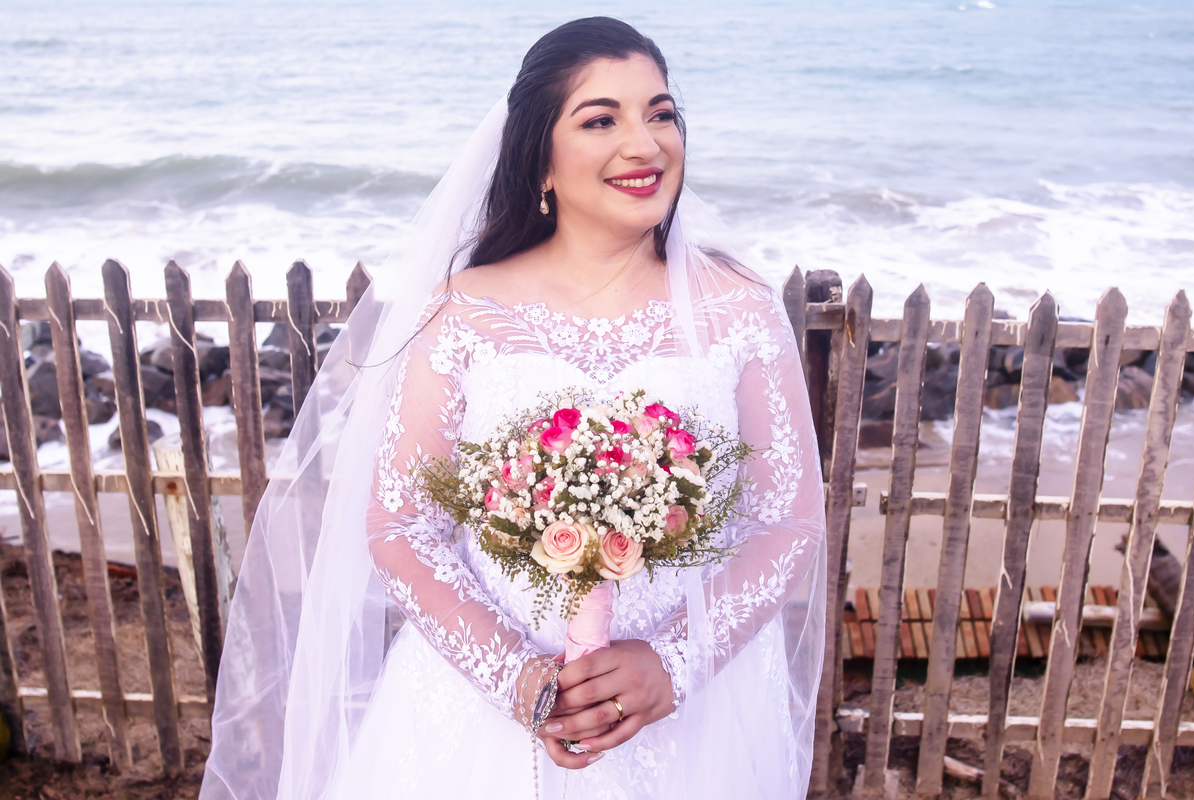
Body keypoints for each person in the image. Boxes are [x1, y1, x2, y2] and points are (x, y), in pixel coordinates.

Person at [201, 17, 826, 800]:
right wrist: (519, 677)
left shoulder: (738, 308)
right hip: (486, 719)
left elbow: (786, 520)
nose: (645, 144)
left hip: (694, 718)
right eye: (601, 120)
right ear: (541, 159)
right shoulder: (464, 311)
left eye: (660, 114)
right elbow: (402, 524)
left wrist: (675, 662)